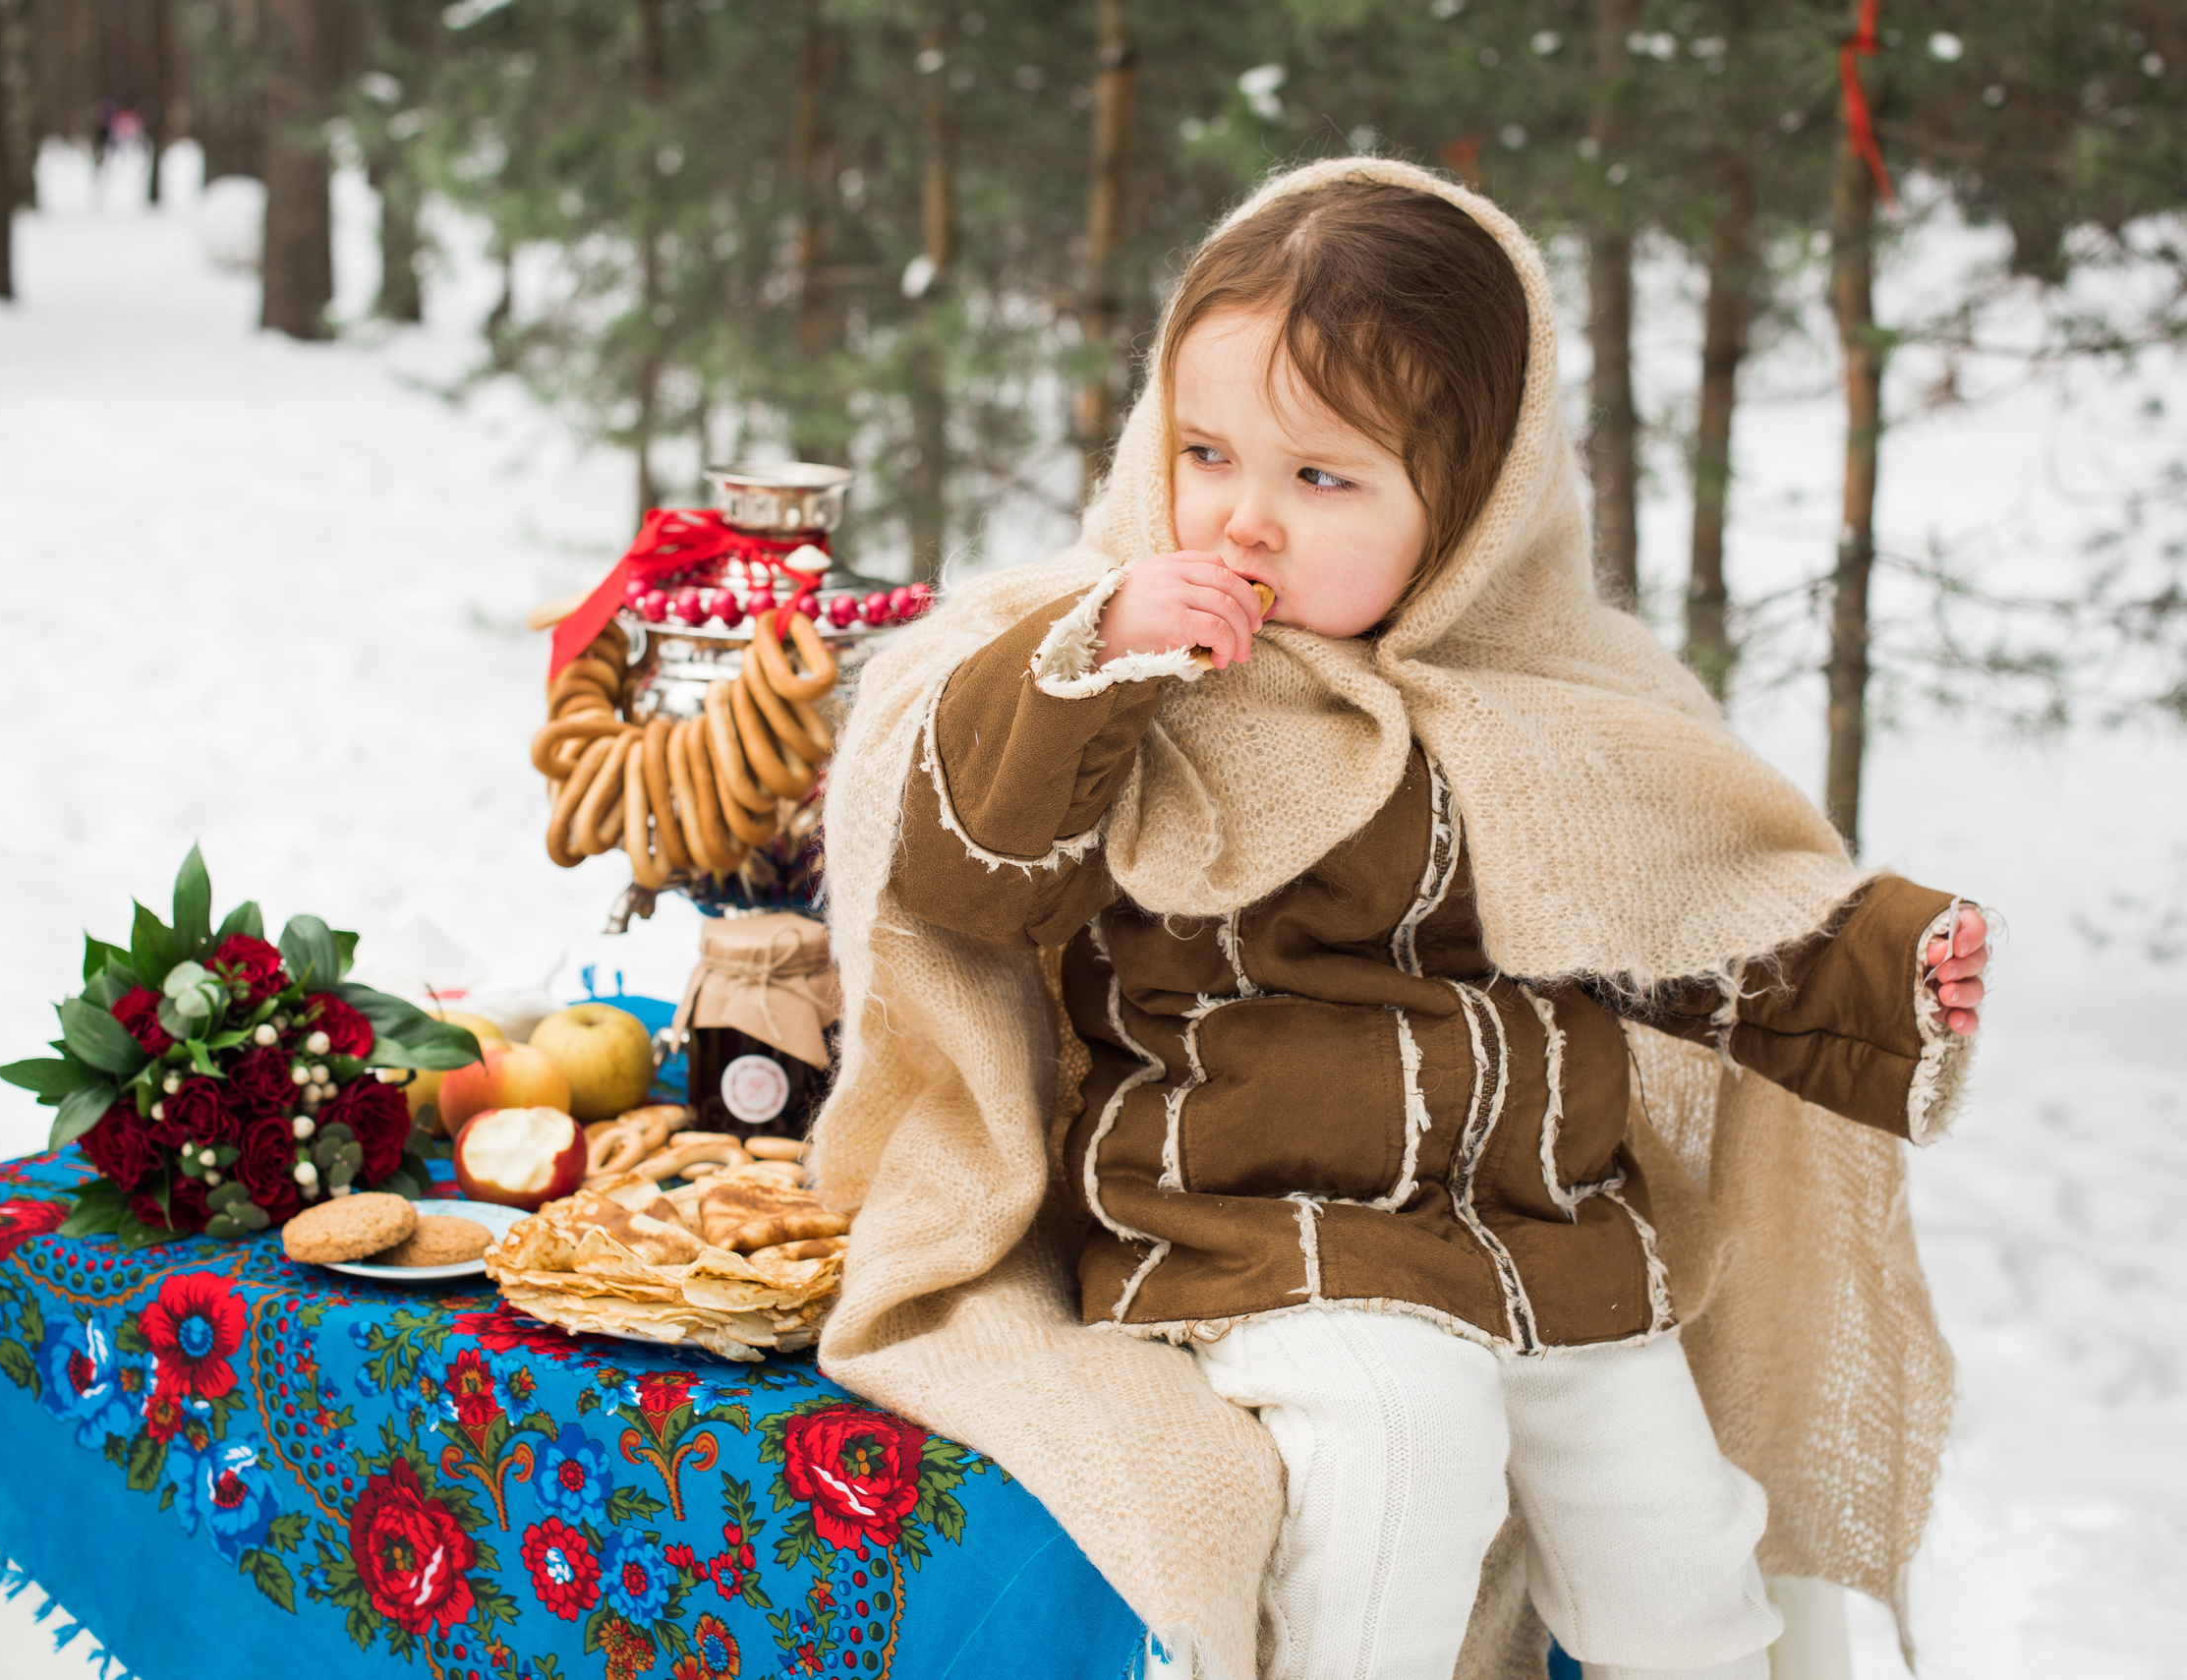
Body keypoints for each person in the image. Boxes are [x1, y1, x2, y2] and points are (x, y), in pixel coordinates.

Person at [813, 158, 1988, 1680]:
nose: (1241, 521)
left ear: (1473, 508)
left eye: (1321, 478)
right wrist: (1091, 660)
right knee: (1402, 1452)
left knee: (1685, 1559)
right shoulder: (1143, 675)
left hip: (1550, 1235)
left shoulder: (1563, 712)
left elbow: (1692, 920)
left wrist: (1891, 969)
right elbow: (975, 870)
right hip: (1258, 1223)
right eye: (1207, 451)